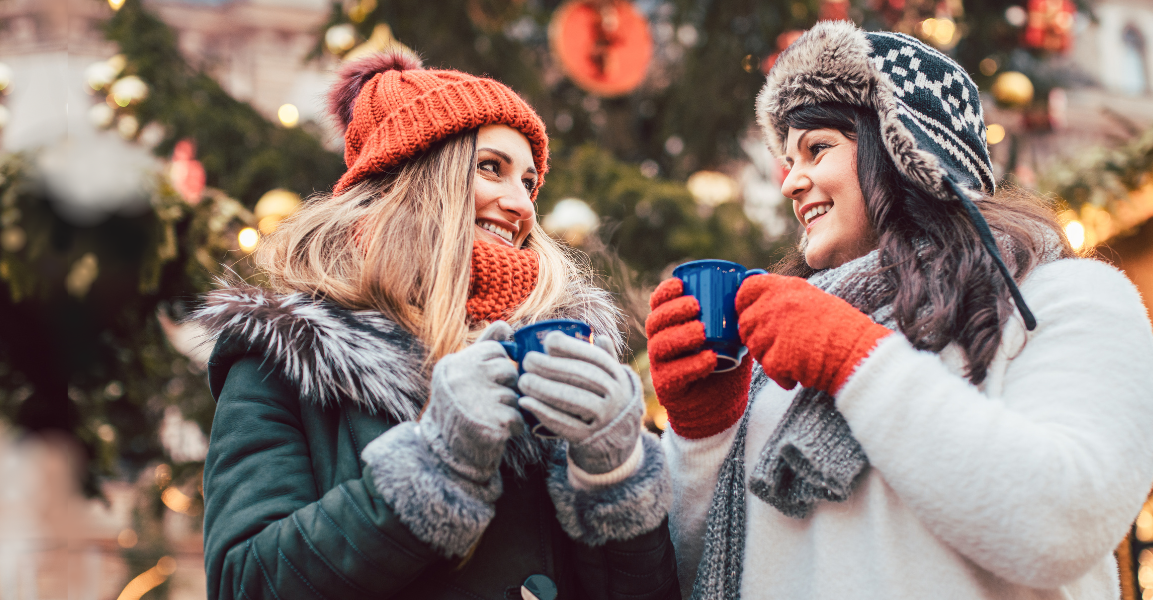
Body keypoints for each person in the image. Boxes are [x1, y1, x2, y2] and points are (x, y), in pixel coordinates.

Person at [647, 20, 1153, 600]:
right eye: (788, 160)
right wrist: (703, 434)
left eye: (818, 148)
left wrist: (856, 361)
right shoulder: (779, 357)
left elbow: (1062, 524)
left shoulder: (1064, 298)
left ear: (905, 150)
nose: (793, 182)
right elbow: (706, 574)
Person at [197, 52, 679, 600]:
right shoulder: (288, 357)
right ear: (418, 179)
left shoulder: (560, 349)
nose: (521, 204)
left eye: (530, 182)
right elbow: (246, 583)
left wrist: (615, 475)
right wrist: (435, 464)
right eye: (490, 168)